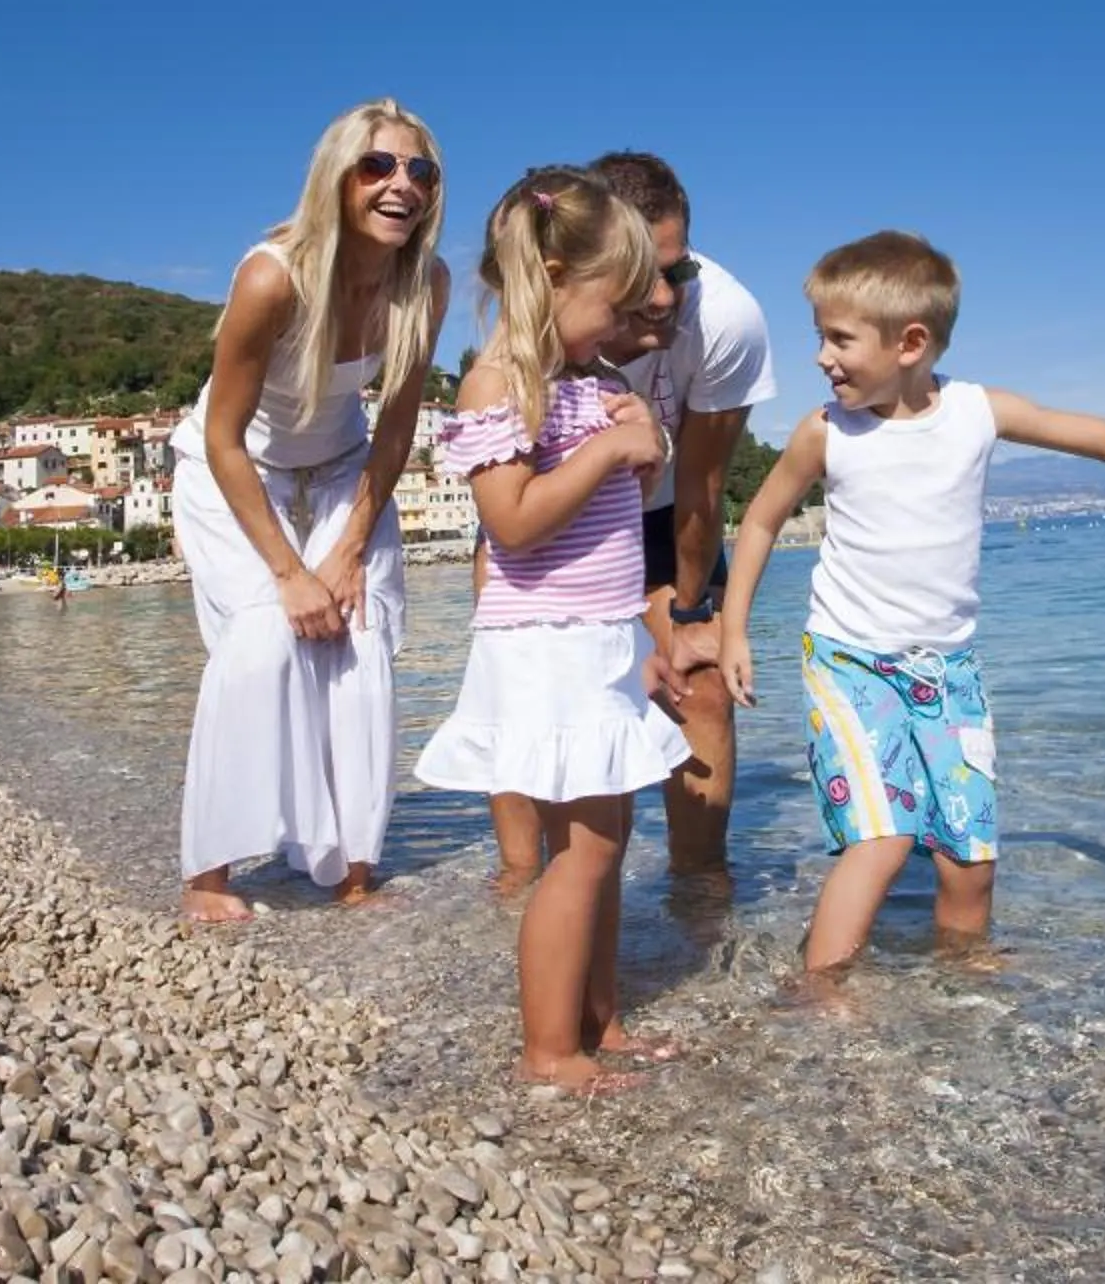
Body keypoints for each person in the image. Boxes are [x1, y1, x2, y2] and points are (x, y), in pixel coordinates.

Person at [707, 230, 1105, 973]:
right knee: (882, 840)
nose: (821, 357)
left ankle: (965, 979)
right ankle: (821, 991)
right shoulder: (826, 432)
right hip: (848, 661)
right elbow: (763, 520)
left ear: (910, 342)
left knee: (969, 855)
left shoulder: (975, 412)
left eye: (839, 339)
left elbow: (1093, 434)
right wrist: (734, 629)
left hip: (949, 669)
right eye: (820, 337)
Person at [416, 167, 694, 1093]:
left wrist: (640, 438)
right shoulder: (498, 383)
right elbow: (514, 522)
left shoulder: (586, 379)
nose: (621, 328)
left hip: (600, 637)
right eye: (612, 306)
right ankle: (548, 1048)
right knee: (578, 855)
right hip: (546, 645)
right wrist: (610, 448)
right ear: (550, 275)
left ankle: (598, 1018)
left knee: (608, 840)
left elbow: (614, 510)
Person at [171, 98, 453, 922]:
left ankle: (351, 866)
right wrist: (291, 574)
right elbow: (223, 438)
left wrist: (350, 547)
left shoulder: (424, 283)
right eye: (378, 166)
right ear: (336, 177)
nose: (402, 185)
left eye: (420, 171)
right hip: (235, 468)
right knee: (264, 640)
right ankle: (208, 875)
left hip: (344, 467)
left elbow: (397, 423)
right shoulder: (273, 277)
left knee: (360, 640)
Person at [484, 150, 775, 882]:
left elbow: (703, 485)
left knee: (700, 682)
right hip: (552, 509)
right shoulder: (547, 316)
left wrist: (689, 616)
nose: (667, 297)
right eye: (647, 275)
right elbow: (513, 497)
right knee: (530, 698)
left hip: (668, 514)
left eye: (680, 270)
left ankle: (698, 894)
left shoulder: (728, 318)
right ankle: (522, 886)